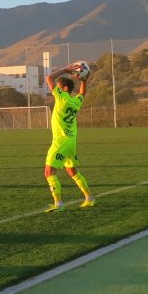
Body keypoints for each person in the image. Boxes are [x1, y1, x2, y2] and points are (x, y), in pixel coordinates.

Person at [43, 64, 94, 211]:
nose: (55, 89)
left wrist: (65, 70)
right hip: (71, 141)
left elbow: (49, 78)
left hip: (61, 141)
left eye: (58, 87)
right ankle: (89, 198)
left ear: (64, 89)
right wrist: (84, 80)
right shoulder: (75, 102)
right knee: (72, 171)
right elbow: (82, 93)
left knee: (49, 172)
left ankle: (58, 204)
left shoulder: (62, 97)